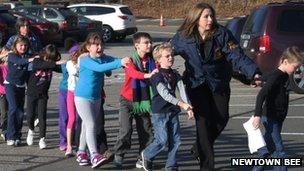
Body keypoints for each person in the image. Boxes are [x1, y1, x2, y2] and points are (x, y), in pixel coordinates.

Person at [170, 2, 262, 170]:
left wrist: (253, 73)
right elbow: (165, 51)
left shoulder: (222, 34)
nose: (210, 19)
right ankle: (207, 166)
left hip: (218, 82)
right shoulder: (183, 36)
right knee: (203, 125)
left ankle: (199, 147)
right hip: (196, 84)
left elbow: (237, 56)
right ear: (196, 18)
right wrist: (149, 62)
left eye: (212, 16)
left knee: (221, 118)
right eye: (206, 16)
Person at [74, 32, 130, 169]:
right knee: (91, 123)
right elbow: (100, 68)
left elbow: (113, 60)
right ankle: (94, 155)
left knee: (87, 126)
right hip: (82, 97)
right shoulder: (85, 60)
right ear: (88, 47)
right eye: (95, 45)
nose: (99, 47)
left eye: (100, 44)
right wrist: (119, 63)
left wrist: (125, 61)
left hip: (96, 97)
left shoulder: (103, 57)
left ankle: (81, 152)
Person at [141, 42, 194, 171]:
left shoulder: (175, 74)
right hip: (160, 111)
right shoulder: (156, 76)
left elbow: (182, 90)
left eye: (171, 55)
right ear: (158, 59)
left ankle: (171, 165)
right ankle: (146, 154)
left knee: (176, 140)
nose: (171, 58)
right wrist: (181, 104)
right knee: (162, 140)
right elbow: (165, 94)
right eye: (167, 56)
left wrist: (189, 107)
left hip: (173, 111)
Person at [252, 46, 304, 171]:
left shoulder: (284, 75)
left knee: (268, 149)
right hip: (270, 116)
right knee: (279, 151)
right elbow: (262, 94)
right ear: (285, 61)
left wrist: (258, 80)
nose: (297, 70)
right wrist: (257, 115)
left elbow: (264, 77)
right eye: (295, 67)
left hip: (278, 117)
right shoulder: (277, 76)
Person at [112, 32, 157, 168]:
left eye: (150, 42)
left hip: (143, 101)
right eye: (146, 43)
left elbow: (159, 69)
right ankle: (119, 154)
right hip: (127, 100)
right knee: (125, 130)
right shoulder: (129, 60)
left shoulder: (152, 60)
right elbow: (132, 73)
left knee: (146, 130)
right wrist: (148, 75)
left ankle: (143, 156)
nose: (149, 45)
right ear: (137, 45)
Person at [25, 44, 65, 149]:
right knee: (30, 115)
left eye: (51, 59)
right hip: (31, 93)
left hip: (43, 94)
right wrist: (54, 63)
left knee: (42, 116)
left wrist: (70, 64)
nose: (48, 60)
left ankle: (42, 138)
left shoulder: (51, 64)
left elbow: (61, 68)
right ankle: (31, 130)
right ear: (44, 54)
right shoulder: (37, 60)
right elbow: (40, 66)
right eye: (47, 57)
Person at [4, 36, 36, 146]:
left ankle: (17, 136)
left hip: (21, 86)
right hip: (10, 85)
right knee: (13, 108)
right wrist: (30, 59)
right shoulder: (12, 55)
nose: (23, 47)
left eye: (25, 45)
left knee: (20, 112)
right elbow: (20, 61)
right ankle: (10, 136)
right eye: (21, 45)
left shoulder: (28, 55)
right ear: (15, 46)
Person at [58, 41, 79, 152]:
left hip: (78, 93)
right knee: (65, 117)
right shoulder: (67, 64)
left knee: (76, 118)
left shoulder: (83, 62)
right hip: (65, 91)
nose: (77, 54)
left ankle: (75, 140)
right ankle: (64, 141)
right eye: (75, 52)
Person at [0, 50, 8, 141]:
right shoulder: (1, 67)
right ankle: (4, 130)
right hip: (2, 93)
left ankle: (5, 130)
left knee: (6, 113)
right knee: (4, 113)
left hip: (9, 93)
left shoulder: (12, 67)